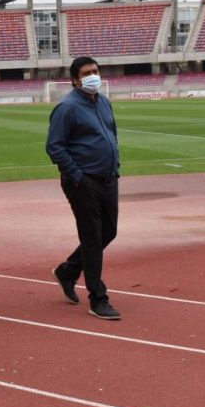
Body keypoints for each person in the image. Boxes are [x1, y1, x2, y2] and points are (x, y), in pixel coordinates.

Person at [46, 56, 121, 320]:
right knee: (92, 238)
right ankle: (98, 298)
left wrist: (116, 165)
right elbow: (54, 146)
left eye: (96, 71)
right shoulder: (67, 107)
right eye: (88, 73)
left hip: (108, 178)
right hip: (83, 182)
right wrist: (77, 176)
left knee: (108, 232)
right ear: (76, 79)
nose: (94, 76)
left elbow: (112, 135)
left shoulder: (103, 102)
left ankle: (67, 271)